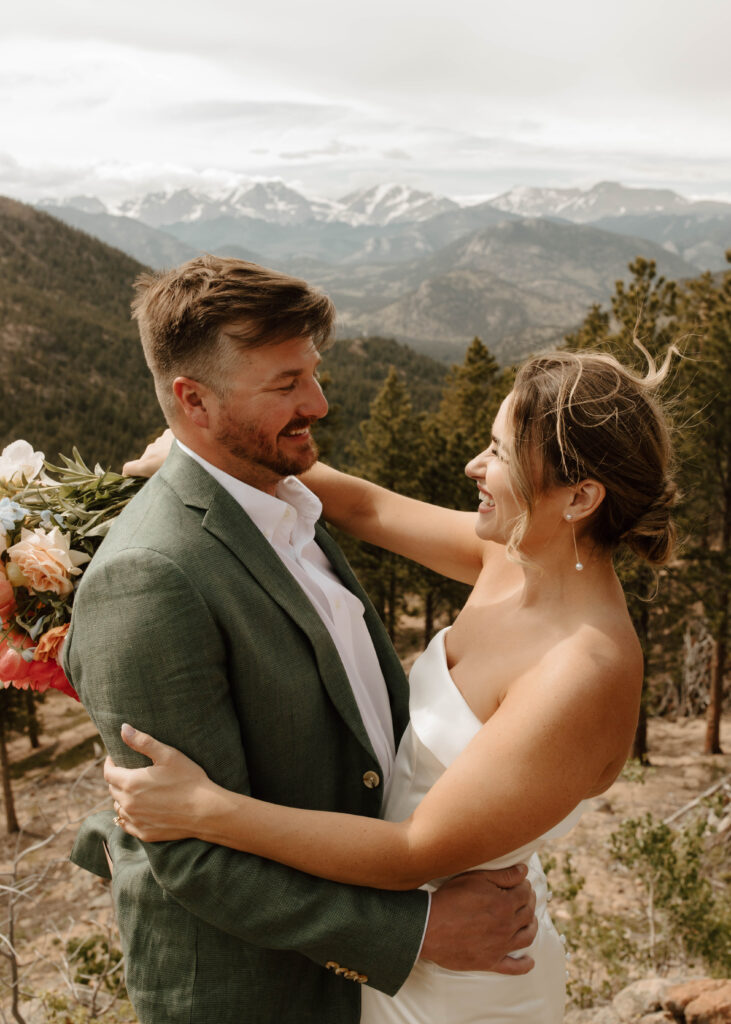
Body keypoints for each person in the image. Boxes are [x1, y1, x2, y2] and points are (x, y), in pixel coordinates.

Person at [106, 342, 679, 1024]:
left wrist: (205, 809)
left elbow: (411, 852)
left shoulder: (584, 669)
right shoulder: (510, 557)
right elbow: (368, 510)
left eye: (497, 454)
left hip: (469, 983)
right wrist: (199, 459)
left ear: (580, 497)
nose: (474, 466)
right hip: (409, 942)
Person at [63, 255, 538, 1024]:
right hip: (256, 996)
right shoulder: (148, 577)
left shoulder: (283, 500)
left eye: (312, 374)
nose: (317, 403)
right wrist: (412, 932)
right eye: (284, 385)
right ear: (194, 400)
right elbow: (186, 852)